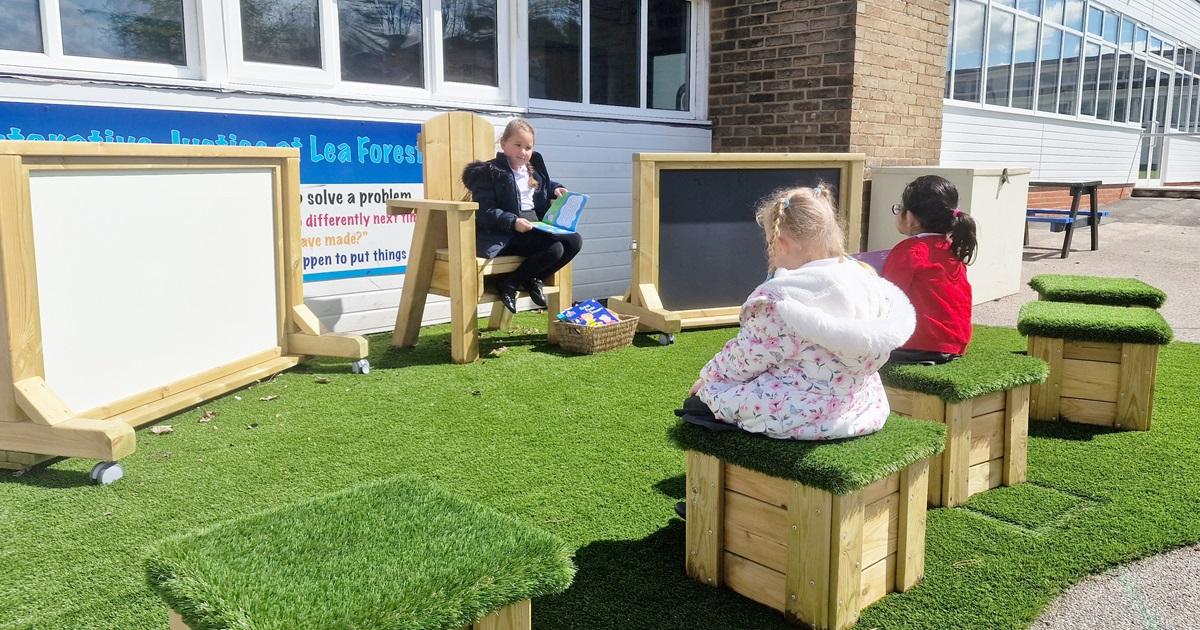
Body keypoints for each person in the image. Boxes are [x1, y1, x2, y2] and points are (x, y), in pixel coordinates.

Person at [680, 185, 916, 441]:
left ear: (782, 243)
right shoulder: (866, 279)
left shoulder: (785, 301)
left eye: (769, 241)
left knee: (698, 405)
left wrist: (708, 379)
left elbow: (746, 357)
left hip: (800, 412)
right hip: (861, 406)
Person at [461, 118, 583, 313]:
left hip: (535, 227)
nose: (523, 152)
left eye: (528, 147)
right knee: (555, 250)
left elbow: (543, 186)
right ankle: (511, 283)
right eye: (517, 145)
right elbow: (485, 211)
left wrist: (556, 189)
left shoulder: (531, 169)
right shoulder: (491, 173)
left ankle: (532, 279)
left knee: (575, 241)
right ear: (503, 144)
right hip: (507, 234)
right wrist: (513, 222)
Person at [881, 175, 977, 365]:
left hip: (918, 346)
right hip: (956, 344)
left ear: (910, 218)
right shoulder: (952, 248)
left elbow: (885, 297)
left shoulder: (909, 251)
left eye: (899, 209)